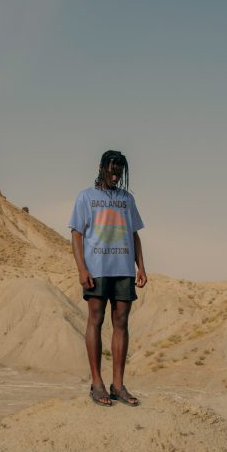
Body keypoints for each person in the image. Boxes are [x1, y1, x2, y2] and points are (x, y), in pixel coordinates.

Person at [69, 150, 147, 407]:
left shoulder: (127, 199)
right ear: (102, 168)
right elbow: (77, 234)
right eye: (112, 169)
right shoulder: (86, 197)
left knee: (121, 322)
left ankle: (118, 385)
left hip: (123, 268)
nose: (116, 174)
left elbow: (134, 234)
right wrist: (82, 269)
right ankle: (96, 383)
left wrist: (141, 267)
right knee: (96, 319)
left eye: (119, 171)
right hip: (97, 268)